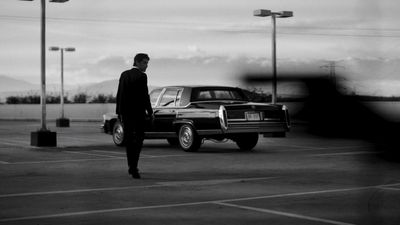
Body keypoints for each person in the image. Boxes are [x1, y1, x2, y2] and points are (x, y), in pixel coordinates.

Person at [116, 53, 153, 179]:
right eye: (144, 63)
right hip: (138, 114)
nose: (146, 66)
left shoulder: (124, 75)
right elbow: (145, 96)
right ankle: (133, 167)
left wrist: (119, 112)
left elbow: (119, 94)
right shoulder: (142, 76)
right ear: (137, 62)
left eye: (147, 63)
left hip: (126, 114)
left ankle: (131, 166)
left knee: (129, 141)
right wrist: (150, 112)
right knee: (138, 140)